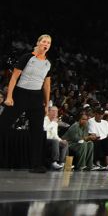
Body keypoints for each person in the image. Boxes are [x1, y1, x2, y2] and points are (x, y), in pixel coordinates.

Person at [0, 34, 52, 173]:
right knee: (3, 124)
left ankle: (36, 165)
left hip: (36, 98)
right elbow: (14, 77)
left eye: (48, 43)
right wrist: (9, 96)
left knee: (37, 132)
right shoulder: (27, 57)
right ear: (38, 43)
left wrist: (46, 104)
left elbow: (46, 85)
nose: (46, 44)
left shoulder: (48, 63)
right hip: (20, 93)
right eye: (44, 41)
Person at [44, 106, 67, 170]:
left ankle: (61, 162)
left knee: (64, 143)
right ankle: (54, 162)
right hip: (44, 140)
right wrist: (52, 122)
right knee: (55, 141)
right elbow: (44, 130)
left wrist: (61, 140)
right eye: (53, 111)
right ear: (48, 112)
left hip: (52, 141)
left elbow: (55, 135)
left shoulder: (55, 123)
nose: (55, 113)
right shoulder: (44, 119)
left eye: (56, 111)